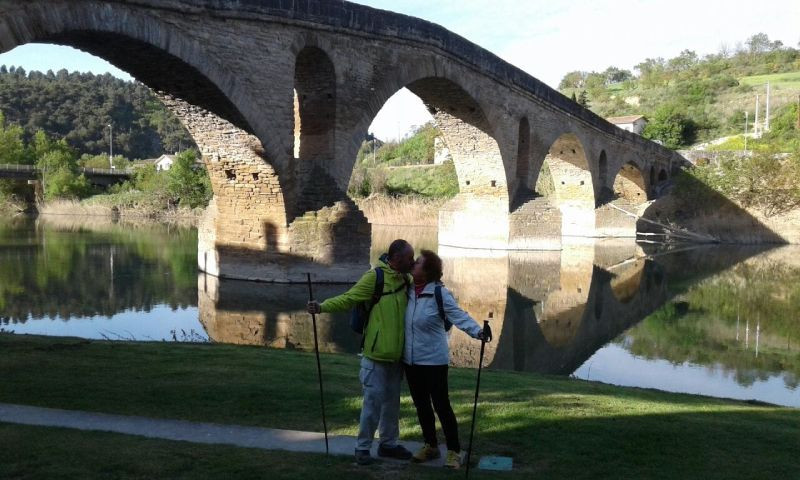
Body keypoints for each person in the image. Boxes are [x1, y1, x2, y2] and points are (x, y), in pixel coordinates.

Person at [307, 239, 415, 466]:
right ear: (396, 259)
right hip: (374, 357)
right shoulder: (374, 278)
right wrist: (322, 307)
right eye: (408, 258)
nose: (412, 262)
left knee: (392, 406)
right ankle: (362, 447)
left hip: (396, 358)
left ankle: (388, 445)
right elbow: (349, 298)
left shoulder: (407, 280)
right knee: (372, 404)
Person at [402, 249, 484, 469]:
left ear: (427, 272)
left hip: (434, 361)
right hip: (411, 361)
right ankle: (430, 445)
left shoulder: (439, 293)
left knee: (441, 406)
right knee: (421, 406)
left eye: (418, 262)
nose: (413, 264)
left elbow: (458, 315)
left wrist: (478, 332)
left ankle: (454, 451)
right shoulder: (407, 289)